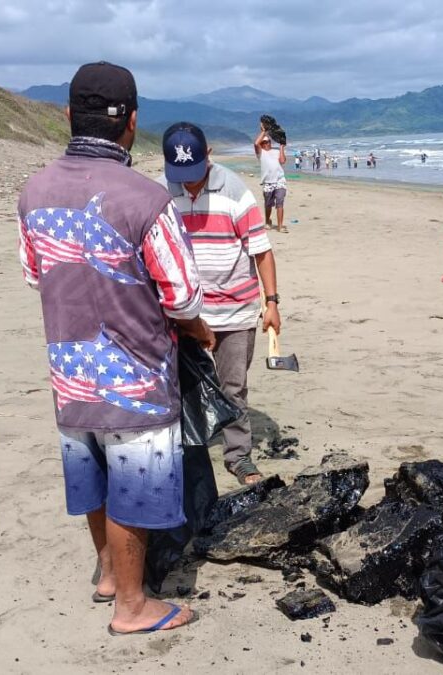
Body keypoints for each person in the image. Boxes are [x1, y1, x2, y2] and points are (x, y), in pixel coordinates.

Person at [17, 62, 210, 635]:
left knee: (92, 473)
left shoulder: (34, 191)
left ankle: (107, 573)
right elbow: (182, 295)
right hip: (134, 374)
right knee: (135, 481)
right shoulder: (147, 199)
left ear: (67, 115)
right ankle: (132, 605)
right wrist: (198, 331)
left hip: (68, 367)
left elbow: (35, 275)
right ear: (130, 123)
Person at [160, 121, 282, 486]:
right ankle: (186, 449)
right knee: (181, 387)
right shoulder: (162, 192)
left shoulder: (234, 190)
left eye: (195, 173)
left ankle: (238, 456)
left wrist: (272, 303)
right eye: (182, 175)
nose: (190, 183)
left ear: (208, 155)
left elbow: (261, 252)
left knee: (233, 387)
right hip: (185, 313)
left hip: (236, 309)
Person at [254, 125, 288, 233]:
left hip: (280, 181)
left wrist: (282, 147)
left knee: (280, 202)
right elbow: (255, 143)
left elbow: (282, 161)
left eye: (268, 141)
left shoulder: (277, 151)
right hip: (268, 183)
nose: (267, 143)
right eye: (265, 142)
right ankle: (268, 221)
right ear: (262, 144)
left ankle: (280, 226)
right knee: (268, 204)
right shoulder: (261, 153)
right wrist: (264, 132)